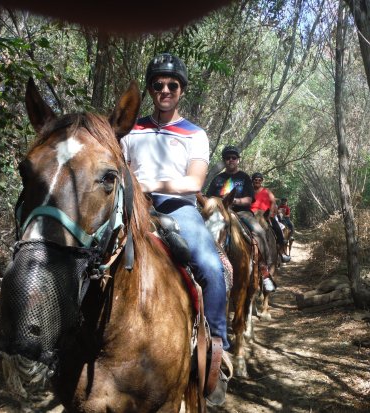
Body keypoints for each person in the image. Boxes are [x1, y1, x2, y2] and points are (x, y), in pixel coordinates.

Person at [120, 53, 228, 405]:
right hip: (133, 204)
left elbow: (195, 181)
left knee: (212, 268)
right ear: (150, 89)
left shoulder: (195, 134)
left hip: (177, 206)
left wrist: (153, 183)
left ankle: (216, 349)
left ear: (181, 90)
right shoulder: (130, 129)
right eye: (158, 84)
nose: (164, 90)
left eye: (172, 84)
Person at [206, 145, 276, 292]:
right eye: (227, 158)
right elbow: (208, 198)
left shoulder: (244, 177)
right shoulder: (217, 179)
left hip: (241, 213)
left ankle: (265, 271)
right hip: (219, 214)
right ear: (224, 160)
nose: (231, 160)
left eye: (234, 157)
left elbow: (249, 199)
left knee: (260, 232)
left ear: (238, 160)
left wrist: (234, 201)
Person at [250, 172, 290, 264]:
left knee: (278, 230)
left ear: (262, 181)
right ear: (252, 181)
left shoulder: (267, 191)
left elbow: (273, 203)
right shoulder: (249, 191)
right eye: (255, 180)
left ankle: (281, 253)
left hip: (265, 215)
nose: (257, 182)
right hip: (250, 215)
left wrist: (270, 214)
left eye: (259, 180)